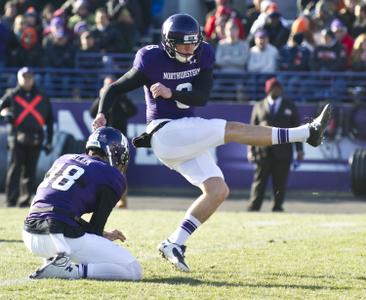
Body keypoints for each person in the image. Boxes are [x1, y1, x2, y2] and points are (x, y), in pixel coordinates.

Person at [92, 13, 331, 272]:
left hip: (181, 140)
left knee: (218, 191)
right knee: (234, 129)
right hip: (165, 130)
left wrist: (172, 92)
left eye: (193, 42)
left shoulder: (203, 53)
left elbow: (202, 97)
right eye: (184, 44)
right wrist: (102, 112)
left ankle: (174, 243)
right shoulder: (151, 59)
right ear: (169, 43)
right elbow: (114, 88)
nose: (190, 48)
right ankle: (306, 133)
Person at [22, 126, 142, 281]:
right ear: (116, 152)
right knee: (132, 269)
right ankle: (71, 270)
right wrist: (101, 236)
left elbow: (56, 206)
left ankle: (55, 261)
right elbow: (95, 229)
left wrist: (102, 234)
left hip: (30, 234)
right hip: (59, 234)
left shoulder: (63, 159)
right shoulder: (112, 176)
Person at [247, 78, 304, 212]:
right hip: (262, 151)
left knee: (280, 181)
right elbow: (250, 130)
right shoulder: (259, 106)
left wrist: (300, 150)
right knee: (259, 181)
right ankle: (254, 207)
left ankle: (277, 206)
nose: (277, 90)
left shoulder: (290, 105)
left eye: (279, 88)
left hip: (283, 151)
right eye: (274, 88)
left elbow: (297, 129)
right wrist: (250, 150)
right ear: (268, 90)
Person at [0, 67, 54, 207]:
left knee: (30, 171)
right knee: (14, 169)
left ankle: (25, 200)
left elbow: (49, 120)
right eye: (24, 77)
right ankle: (11, 200)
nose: (27, 79)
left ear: (33, 78)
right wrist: (5, 113)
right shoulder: (12, 94)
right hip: (16, 138)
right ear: (19, 78)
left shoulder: (42, 96)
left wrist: (49, 140)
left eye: (29, 77)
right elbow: (1, 107)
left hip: (36, 138)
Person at [89, 75, 137, 208]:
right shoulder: (102, 102)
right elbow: (92, 113)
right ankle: (98, 199)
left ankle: (122, 200)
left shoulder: (122, 99)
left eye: (111, 85)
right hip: (102, 141)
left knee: (120, 171)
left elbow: (133, 111)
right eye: (106, 85)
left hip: (118, 141)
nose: (108, 88)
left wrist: (120, 96)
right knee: (98, 168)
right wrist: (101, 98)